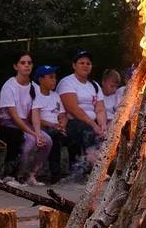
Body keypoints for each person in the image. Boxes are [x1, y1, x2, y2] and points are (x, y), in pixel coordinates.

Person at [59, 50, 107, 180]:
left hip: (92, 122)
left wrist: (102, 125)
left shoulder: (94, 85)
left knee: (106, 133)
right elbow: (73, 108)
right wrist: (93, 124)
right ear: (74, 65)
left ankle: (97, 169)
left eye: (88, 63)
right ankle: (82, 170)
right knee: (87, 131)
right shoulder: (67, 82)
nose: (85, 65)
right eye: (81, 63)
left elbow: (100, 108)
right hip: (72, 122)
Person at [0, 52, 36, 178]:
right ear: (16, 66)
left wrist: (38, 130)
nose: (27, 66)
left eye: (29, 63)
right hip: (9, 124)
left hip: (26, 123)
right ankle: (12, 175)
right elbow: (13, 116)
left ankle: (32, 174)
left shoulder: (34, 86)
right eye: (23, 63)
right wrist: (32, 132)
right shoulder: (9, 86)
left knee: (47, 140)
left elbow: (35, 113)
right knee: (28, 139)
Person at [30, 65, 68, 184]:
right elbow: (35, 118)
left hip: (56, 128)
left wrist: (62, 124)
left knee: (72, 136)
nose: (54, 80)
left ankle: (77, 170)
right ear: (41, 80)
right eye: (51, 77)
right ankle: (55, 174)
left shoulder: (55, 95)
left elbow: (62, 115)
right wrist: (52, 125)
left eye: (55, 77)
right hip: (44, 128)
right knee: (54, 137)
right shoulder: (36, 96)